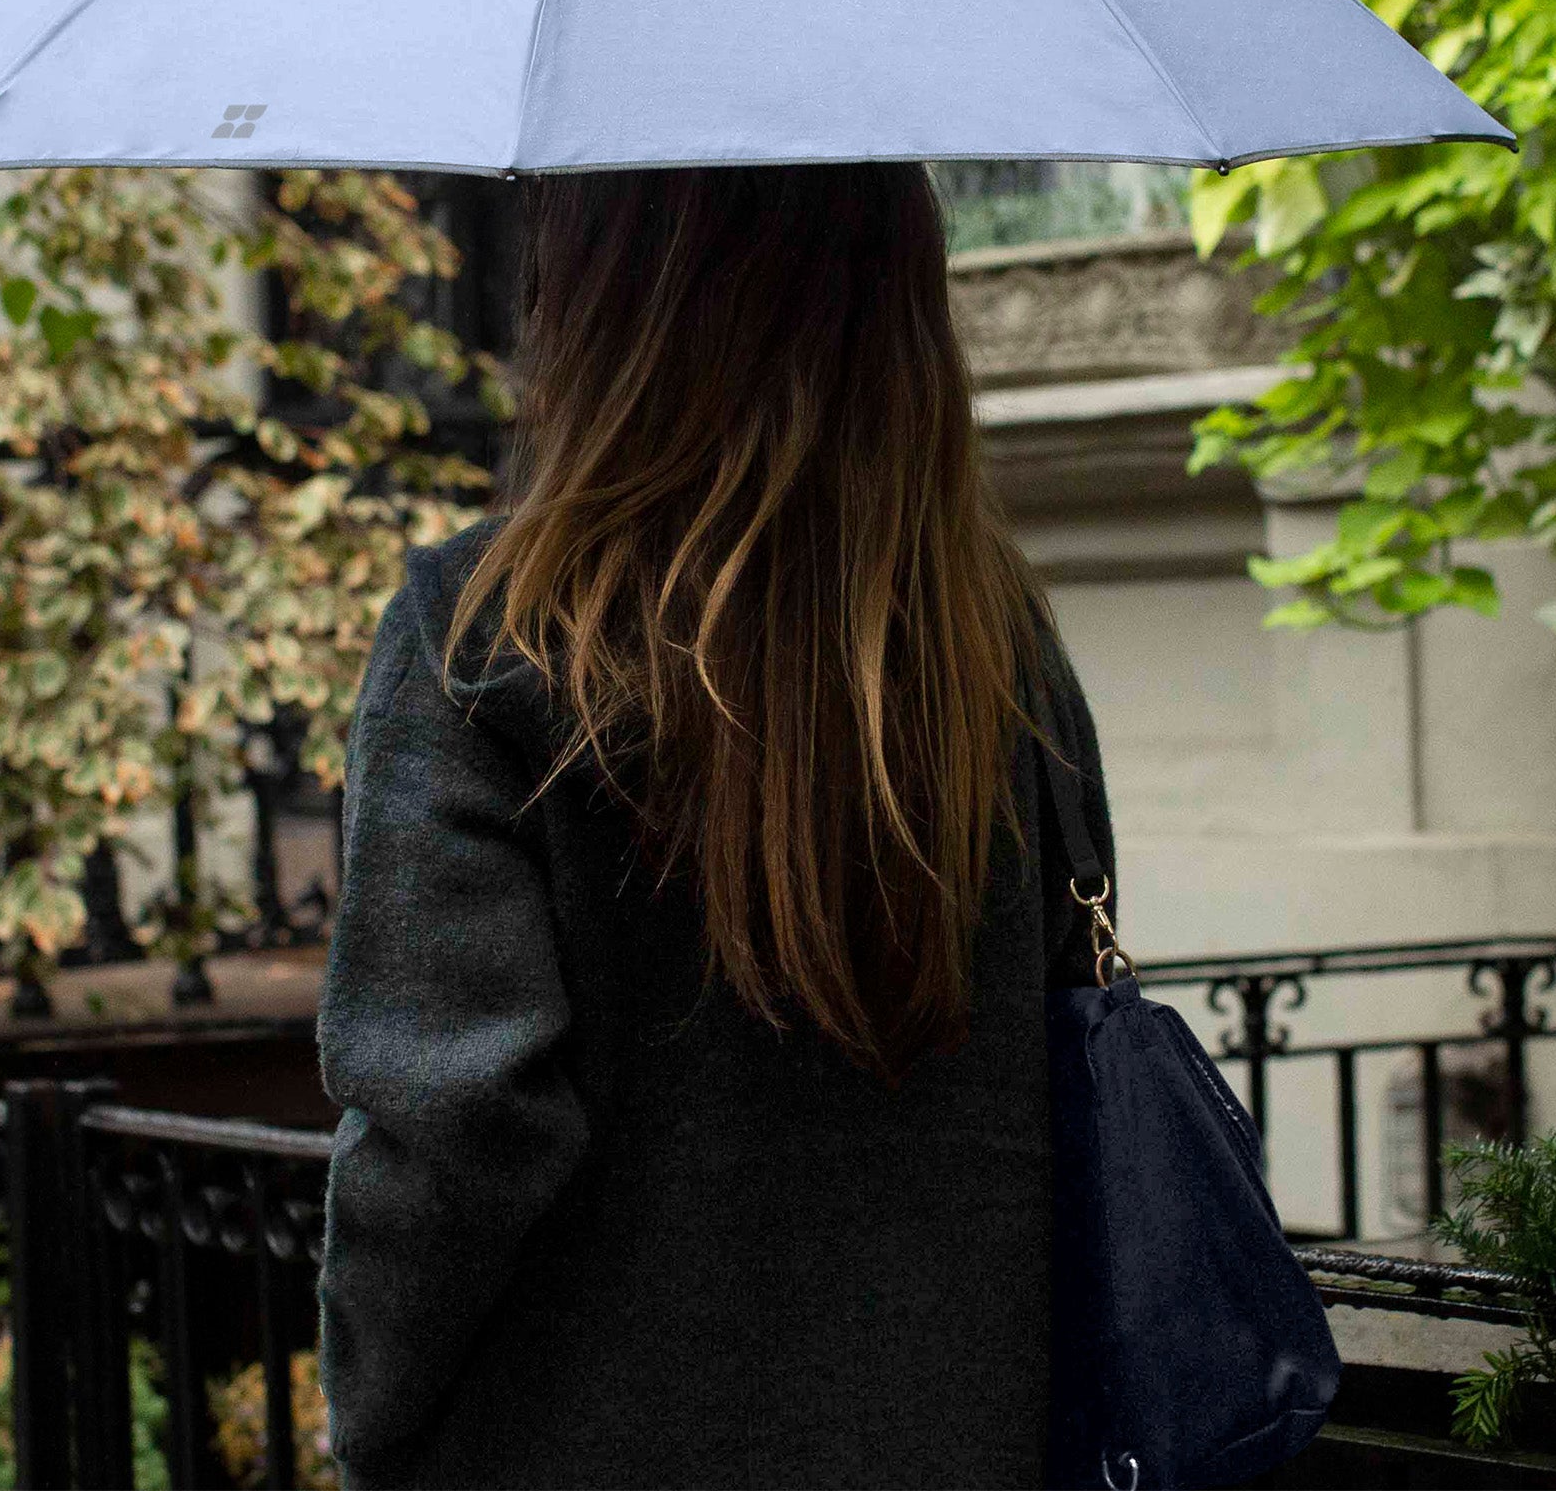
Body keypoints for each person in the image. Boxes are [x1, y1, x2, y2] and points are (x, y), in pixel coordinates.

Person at [316, 162, 1117, 1489]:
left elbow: (455, 1130)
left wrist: (370, 1409)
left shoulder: (487, 639)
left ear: (602, 292)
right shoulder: (1001, 652)